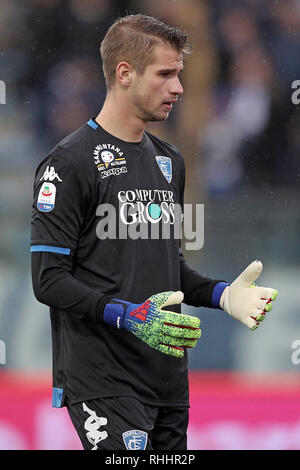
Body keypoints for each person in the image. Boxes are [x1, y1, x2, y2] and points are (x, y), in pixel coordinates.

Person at [31, 14, 278, 451]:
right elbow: (48, 279)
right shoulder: (68, 163)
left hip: (167, 380)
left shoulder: (169, 162)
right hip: (103, 381)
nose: (178, 87)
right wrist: (126, 315)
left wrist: (222, 295)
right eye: (165, 74)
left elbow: (166, 268)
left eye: (179, 74)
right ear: (124, 74)